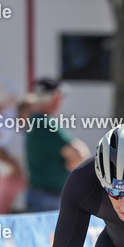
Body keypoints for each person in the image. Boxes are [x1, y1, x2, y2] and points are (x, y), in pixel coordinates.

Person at [25, 77, 89, 212]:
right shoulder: (44, 124)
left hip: (43, 196)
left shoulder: (37, 121)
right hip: (47, 198)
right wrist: (72, 161)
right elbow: (80, 155)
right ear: (56, 97)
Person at [0, 79, 27, 215]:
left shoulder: (11, 115)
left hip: (16, 173)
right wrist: (16, 167)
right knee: (0, 213)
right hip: (5, 173)